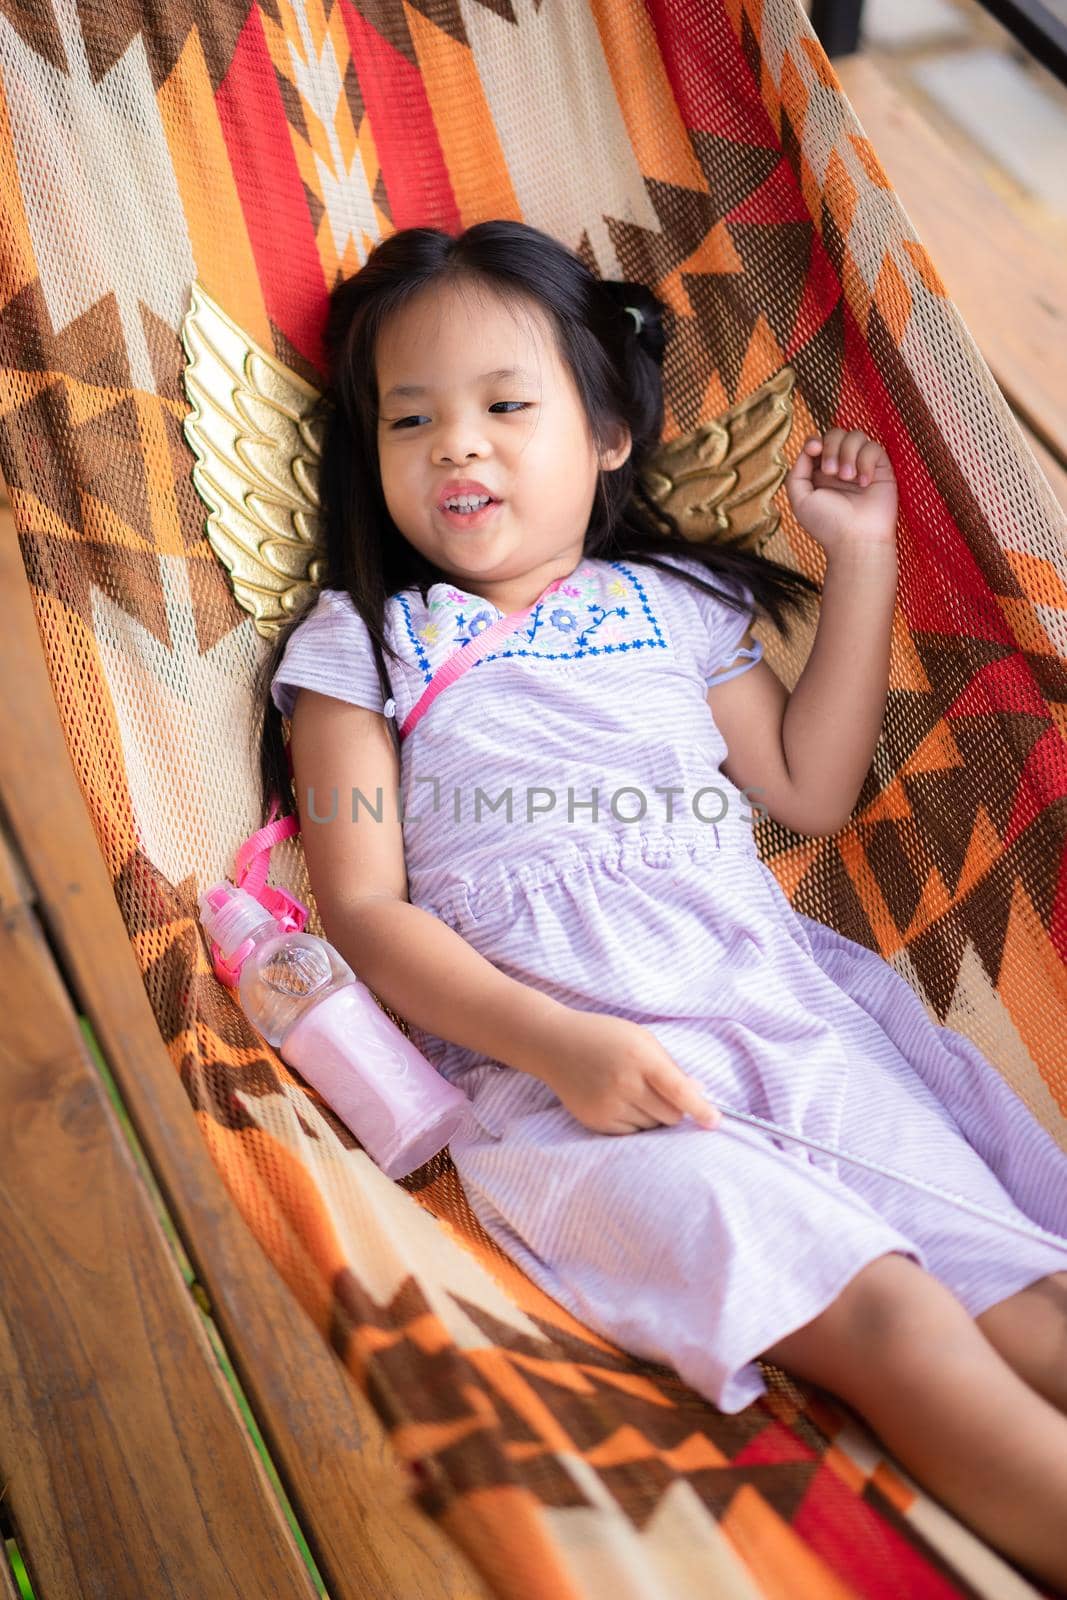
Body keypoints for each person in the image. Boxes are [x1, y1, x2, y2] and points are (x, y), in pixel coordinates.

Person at [252, 220, 1067, 1589]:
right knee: (886, 1310)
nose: (459, 445)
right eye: (413, 420)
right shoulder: (366, 644)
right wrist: (559, 1044)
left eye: (507, 407)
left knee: (1028, 1301)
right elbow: (368, 912)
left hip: (779, 1013)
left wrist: (862, 554)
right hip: (565, 1068)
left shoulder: (674, 606)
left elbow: (809, 787)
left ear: (612, 432)